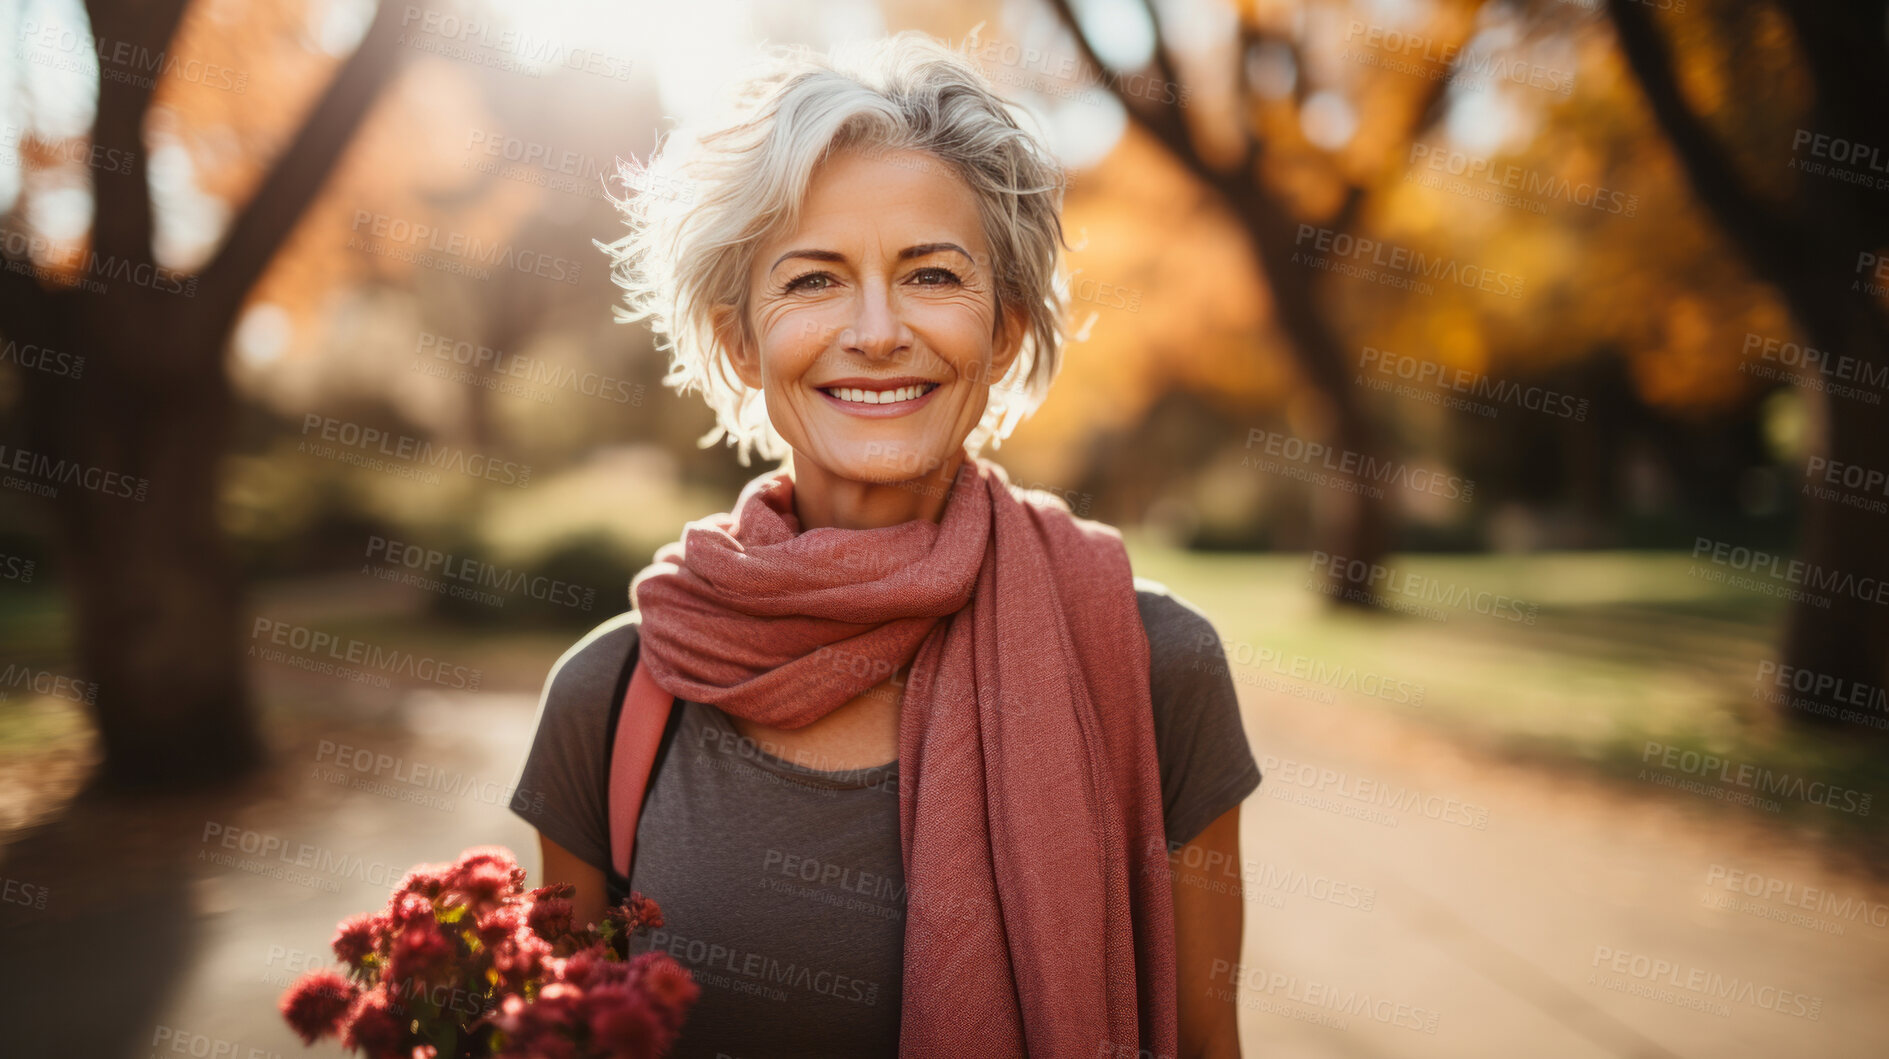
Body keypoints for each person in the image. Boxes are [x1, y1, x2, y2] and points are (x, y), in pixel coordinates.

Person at [509, 32, 1260, 1059]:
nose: (874, 331)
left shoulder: (1155, 665)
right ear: (740, 339)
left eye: (931, 276)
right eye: (813, 281)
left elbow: (1206, 1045)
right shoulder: (610, 698)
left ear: (1002, 331)